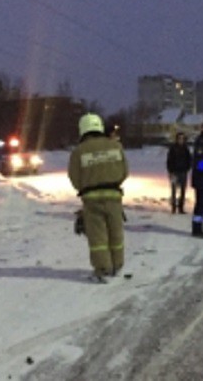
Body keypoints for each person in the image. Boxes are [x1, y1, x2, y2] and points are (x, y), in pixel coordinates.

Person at [68, 113, 129, 281]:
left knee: (98, 237)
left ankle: (103, 269)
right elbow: (125, 171)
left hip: (92, 200)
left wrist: (86, 186)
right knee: (115, 232)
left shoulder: (78, 151)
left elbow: (74, 177)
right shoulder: (115, 146)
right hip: (114, 196)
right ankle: (117, 265)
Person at [166, 132, 192, 214]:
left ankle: (181, 207)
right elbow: (169, 160)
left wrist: (187, 168)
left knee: (183, 190)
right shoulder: (173, 148)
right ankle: (173, 207)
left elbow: (189, 159)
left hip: (183, 172)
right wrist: (170, 171)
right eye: (179, 138)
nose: (181, 140)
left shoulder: (186, 149)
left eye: (182, 138)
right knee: (173, 190)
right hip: (174, 172)